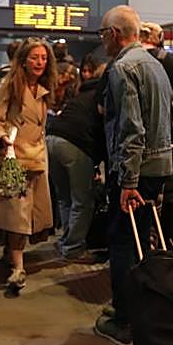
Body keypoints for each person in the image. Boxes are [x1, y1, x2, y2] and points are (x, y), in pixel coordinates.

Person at [93, 6, 173, 345]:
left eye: (101, 34)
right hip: (159, 165)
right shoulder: (155, 64)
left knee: (124, 243)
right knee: (143, 241)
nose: (101, 41)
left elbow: (131, 128)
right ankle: (143, 311)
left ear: (113, 34)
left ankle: (125, 320)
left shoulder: (123, 68)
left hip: (136, 171)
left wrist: (127, 181)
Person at [0, 38, 57, 291]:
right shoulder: (9, 87)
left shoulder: (44, 90)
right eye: (35, 57)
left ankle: (10, 256)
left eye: (44, 58)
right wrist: (1, 139)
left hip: (37, 159)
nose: (40, 63)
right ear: (23, 60)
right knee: (18, 215)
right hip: (14, 159)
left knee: (25, 215)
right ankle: (18, 268)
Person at [46, 60, 106, 261]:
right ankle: (73, 248)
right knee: (82, 200)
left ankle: (65, 241)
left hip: (52, 139)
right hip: (76, 145)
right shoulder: (104, 97)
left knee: (65, 198)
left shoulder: (82, 93)